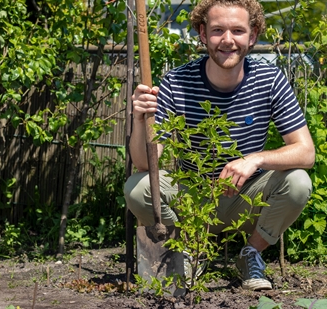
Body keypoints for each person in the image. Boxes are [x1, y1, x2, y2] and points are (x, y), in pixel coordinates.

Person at [125, 0, 315, 291]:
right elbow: (144, 164)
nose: (228, 40)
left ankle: (250, 255)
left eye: (238, 30)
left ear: (252, 36)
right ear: (203, 34)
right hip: (192, 200)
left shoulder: (269, 79)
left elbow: (306, 152)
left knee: (298, 182)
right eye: (217, 31)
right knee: (137, 188)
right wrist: (140, 119)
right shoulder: (177, 82)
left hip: (247, 199)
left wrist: (255, 159)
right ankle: (188, 253)